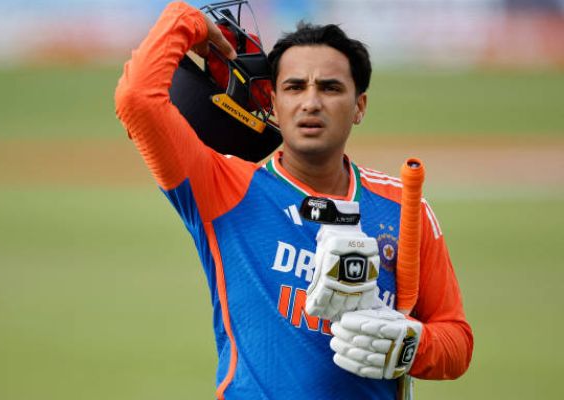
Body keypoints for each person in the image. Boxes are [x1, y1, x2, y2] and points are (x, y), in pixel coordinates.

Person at [114, 2, 473, 399]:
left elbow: (457, 342)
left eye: (330, 88)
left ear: (359, 106)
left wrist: (410, 345)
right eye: (294, 87)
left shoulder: (404, 210)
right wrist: (188, 21)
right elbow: (137, 98)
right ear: (273, 103)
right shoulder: (222, 187)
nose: (311, 102)